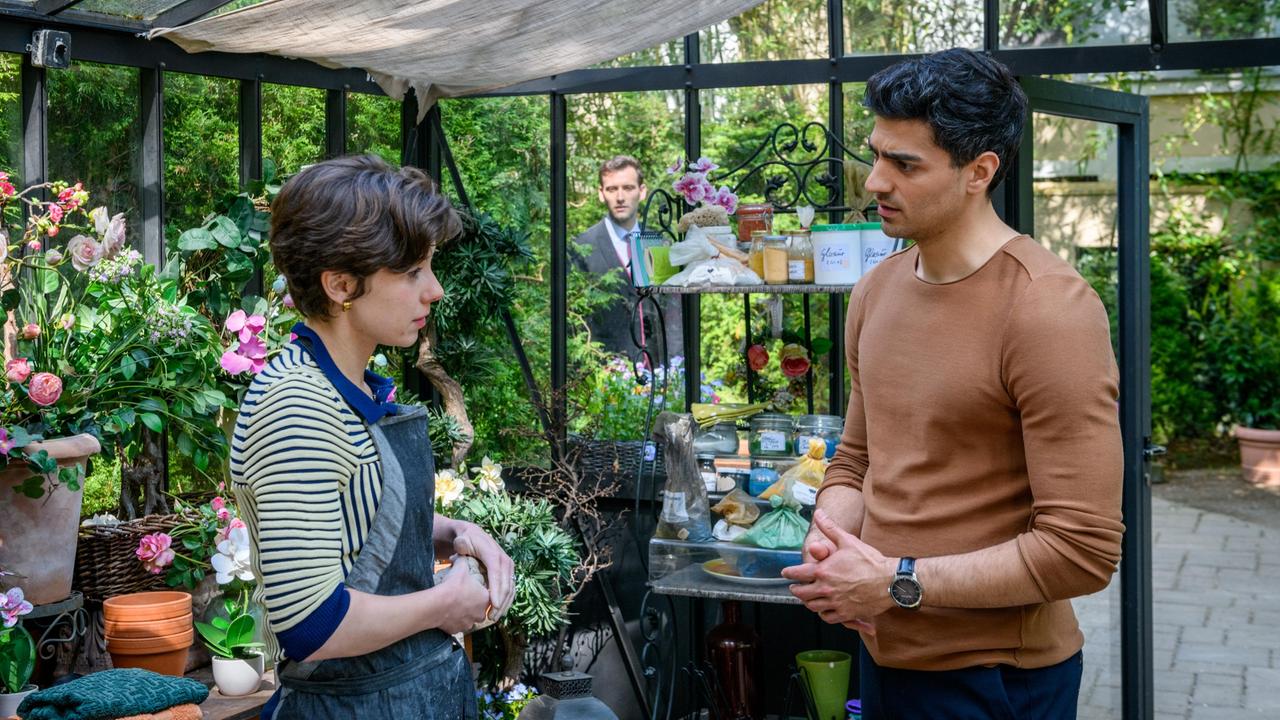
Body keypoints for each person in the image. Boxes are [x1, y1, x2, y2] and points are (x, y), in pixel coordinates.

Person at [782, 48, 1124, 719]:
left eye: (905, 164)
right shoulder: (877, 290)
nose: (876, 180)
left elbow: (1082, 552)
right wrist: (832, 537)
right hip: (888, 659)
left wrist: (896, 581)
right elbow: (857, 460)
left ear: (980, 172)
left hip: (998, 680)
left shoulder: (1048, 309)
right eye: (877, 153)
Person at [229, 155, 515, 718]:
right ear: (340, 284)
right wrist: (443, 604)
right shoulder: (296, 406)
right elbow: (311, 623)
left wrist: (454, 531)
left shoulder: (347, 387)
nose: (432, 291)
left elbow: (352, 520)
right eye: (412, 273)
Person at [572, 155, 681, 362]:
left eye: (628, 188)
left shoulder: (659, 244)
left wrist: (674, 368)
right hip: (607, 379)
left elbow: (673, 318)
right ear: (601, 194)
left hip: (658, 376)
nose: (620, 197)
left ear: (642, 192)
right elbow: (575, 325)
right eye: (612, 189)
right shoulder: (582, 248)